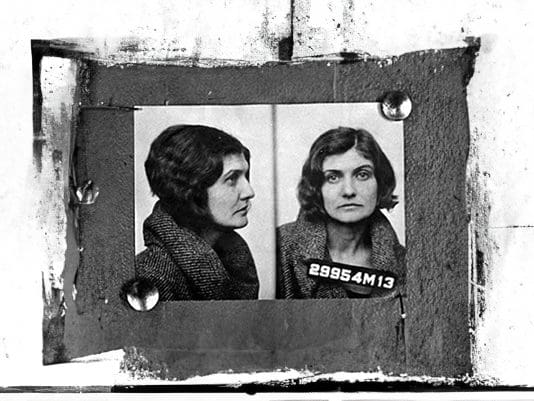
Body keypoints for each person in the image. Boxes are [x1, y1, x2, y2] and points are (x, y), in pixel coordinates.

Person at [276, 127, 406, 299]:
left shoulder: (404, 261)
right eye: (333, 177)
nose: (349, 191)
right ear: (316, 187)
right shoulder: (281, 247)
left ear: (380, 182)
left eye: (362, 175)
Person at [135, 124, 259, 301]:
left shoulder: (236, 263)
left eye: (245, 177)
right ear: (192, 190)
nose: (249, 192)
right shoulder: (151, 277)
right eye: (232, 179)